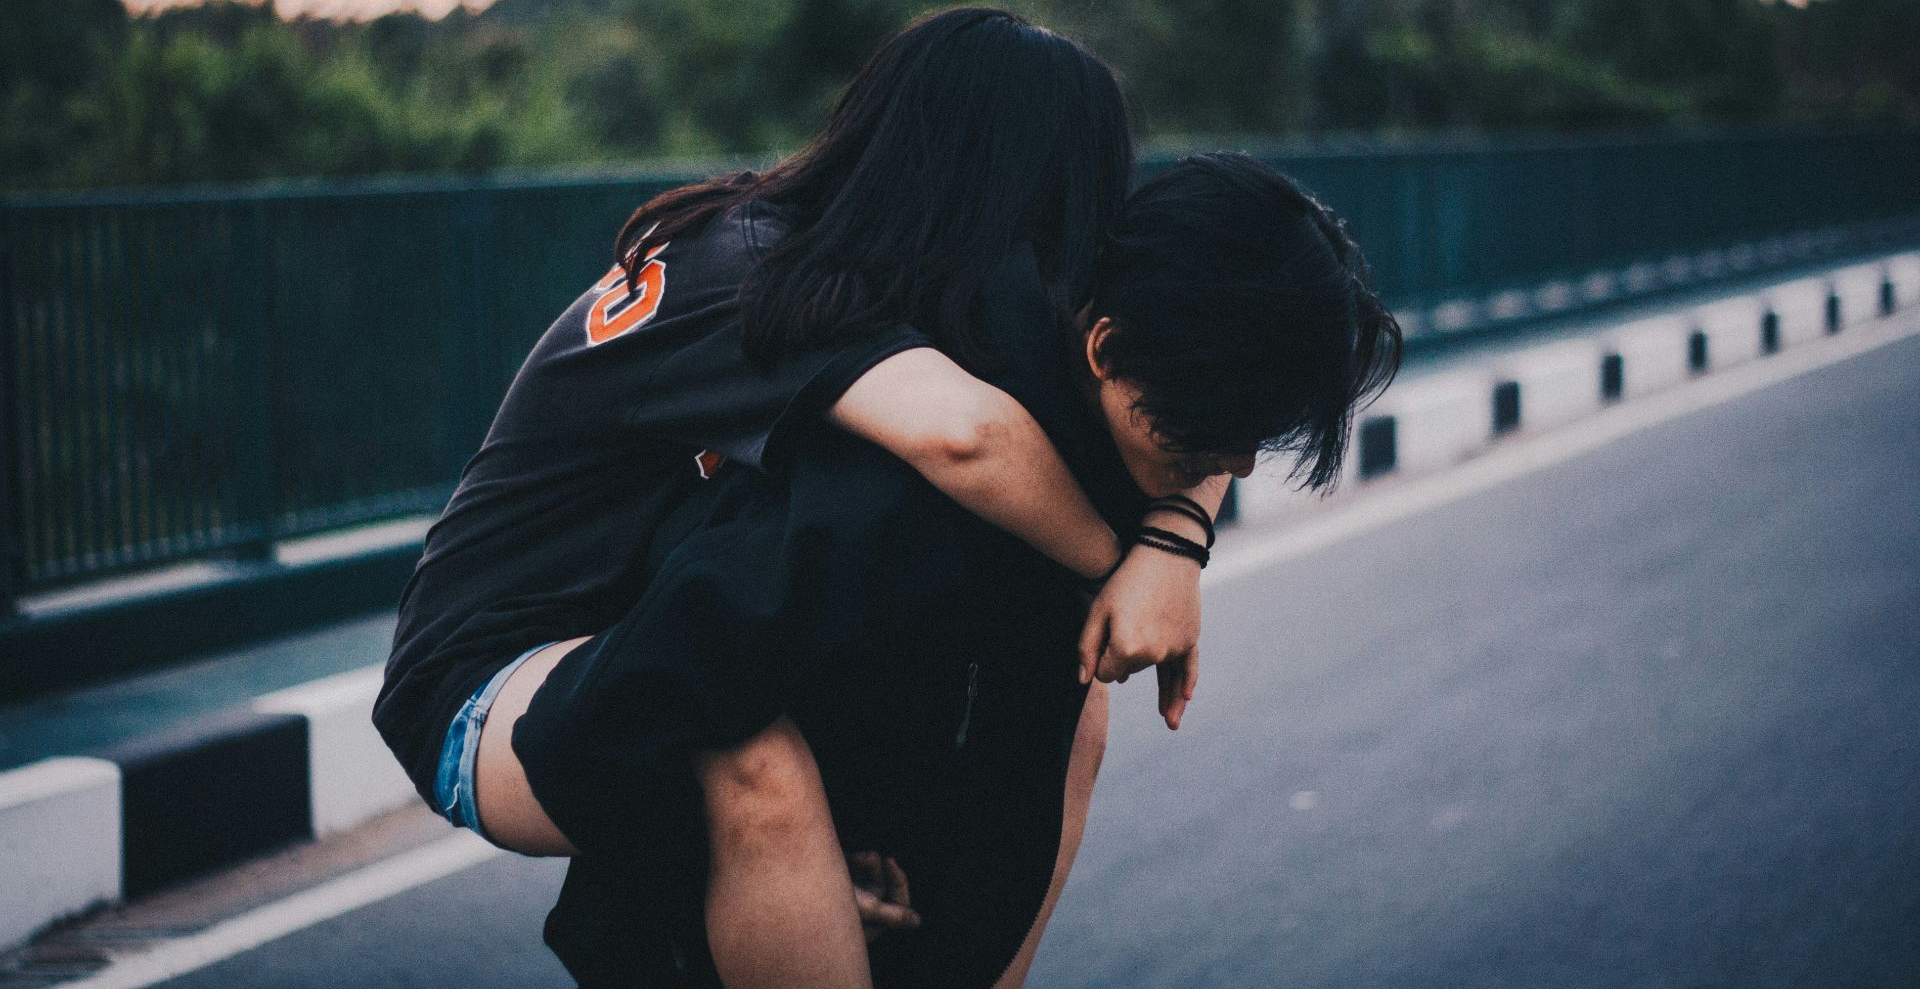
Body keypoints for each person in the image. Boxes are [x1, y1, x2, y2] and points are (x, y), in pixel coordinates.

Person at [372, 8, 1214, 986]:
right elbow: (968, 440)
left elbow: (1196, 379)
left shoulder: (909, 276)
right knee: (750, 754)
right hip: (490, 682)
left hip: (670, 637)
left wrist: (1179, 533)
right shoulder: (758, 264)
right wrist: (1132, 569)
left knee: (1077, 698)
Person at [521, 152, 1403, 986]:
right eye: (1217, 432)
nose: (1239, 464)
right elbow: (633, 696)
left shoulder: (1126, 379)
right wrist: (780, 861)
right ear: (1105, 351)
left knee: (1081, 712)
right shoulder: (897, 501)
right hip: (698, 918)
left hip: (912, 868)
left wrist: (1175, 539)